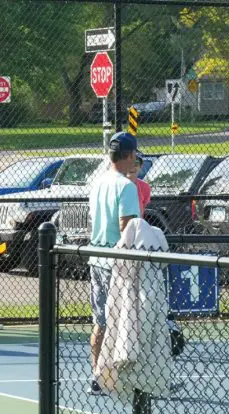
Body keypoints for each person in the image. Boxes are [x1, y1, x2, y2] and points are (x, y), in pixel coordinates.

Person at [87, 132, 141, 395]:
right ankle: (119, 377)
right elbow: (126, 226)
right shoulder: (126, 186)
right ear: (129, 156)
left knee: (101, 320)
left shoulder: (98, 183)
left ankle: (97, 376)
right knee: (123, 322)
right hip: (117, 263)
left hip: (96, 259)